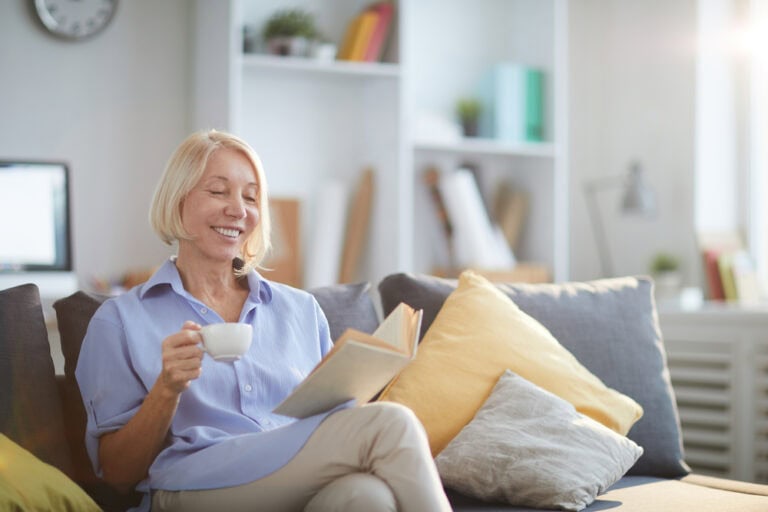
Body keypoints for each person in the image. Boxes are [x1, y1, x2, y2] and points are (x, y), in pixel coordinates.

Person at [75, 130, 451, 512]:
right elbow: (117, 475)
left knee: (365, 497)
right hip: (191, 486)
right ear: (178, 200)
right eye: (218, 191)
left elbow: (330, 422)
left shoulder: (301, 311)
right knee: (391, 423)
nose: (238, 209)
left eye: (251, 197)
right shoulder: (121, 320)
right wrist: (166, 390)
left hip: (290, 473)